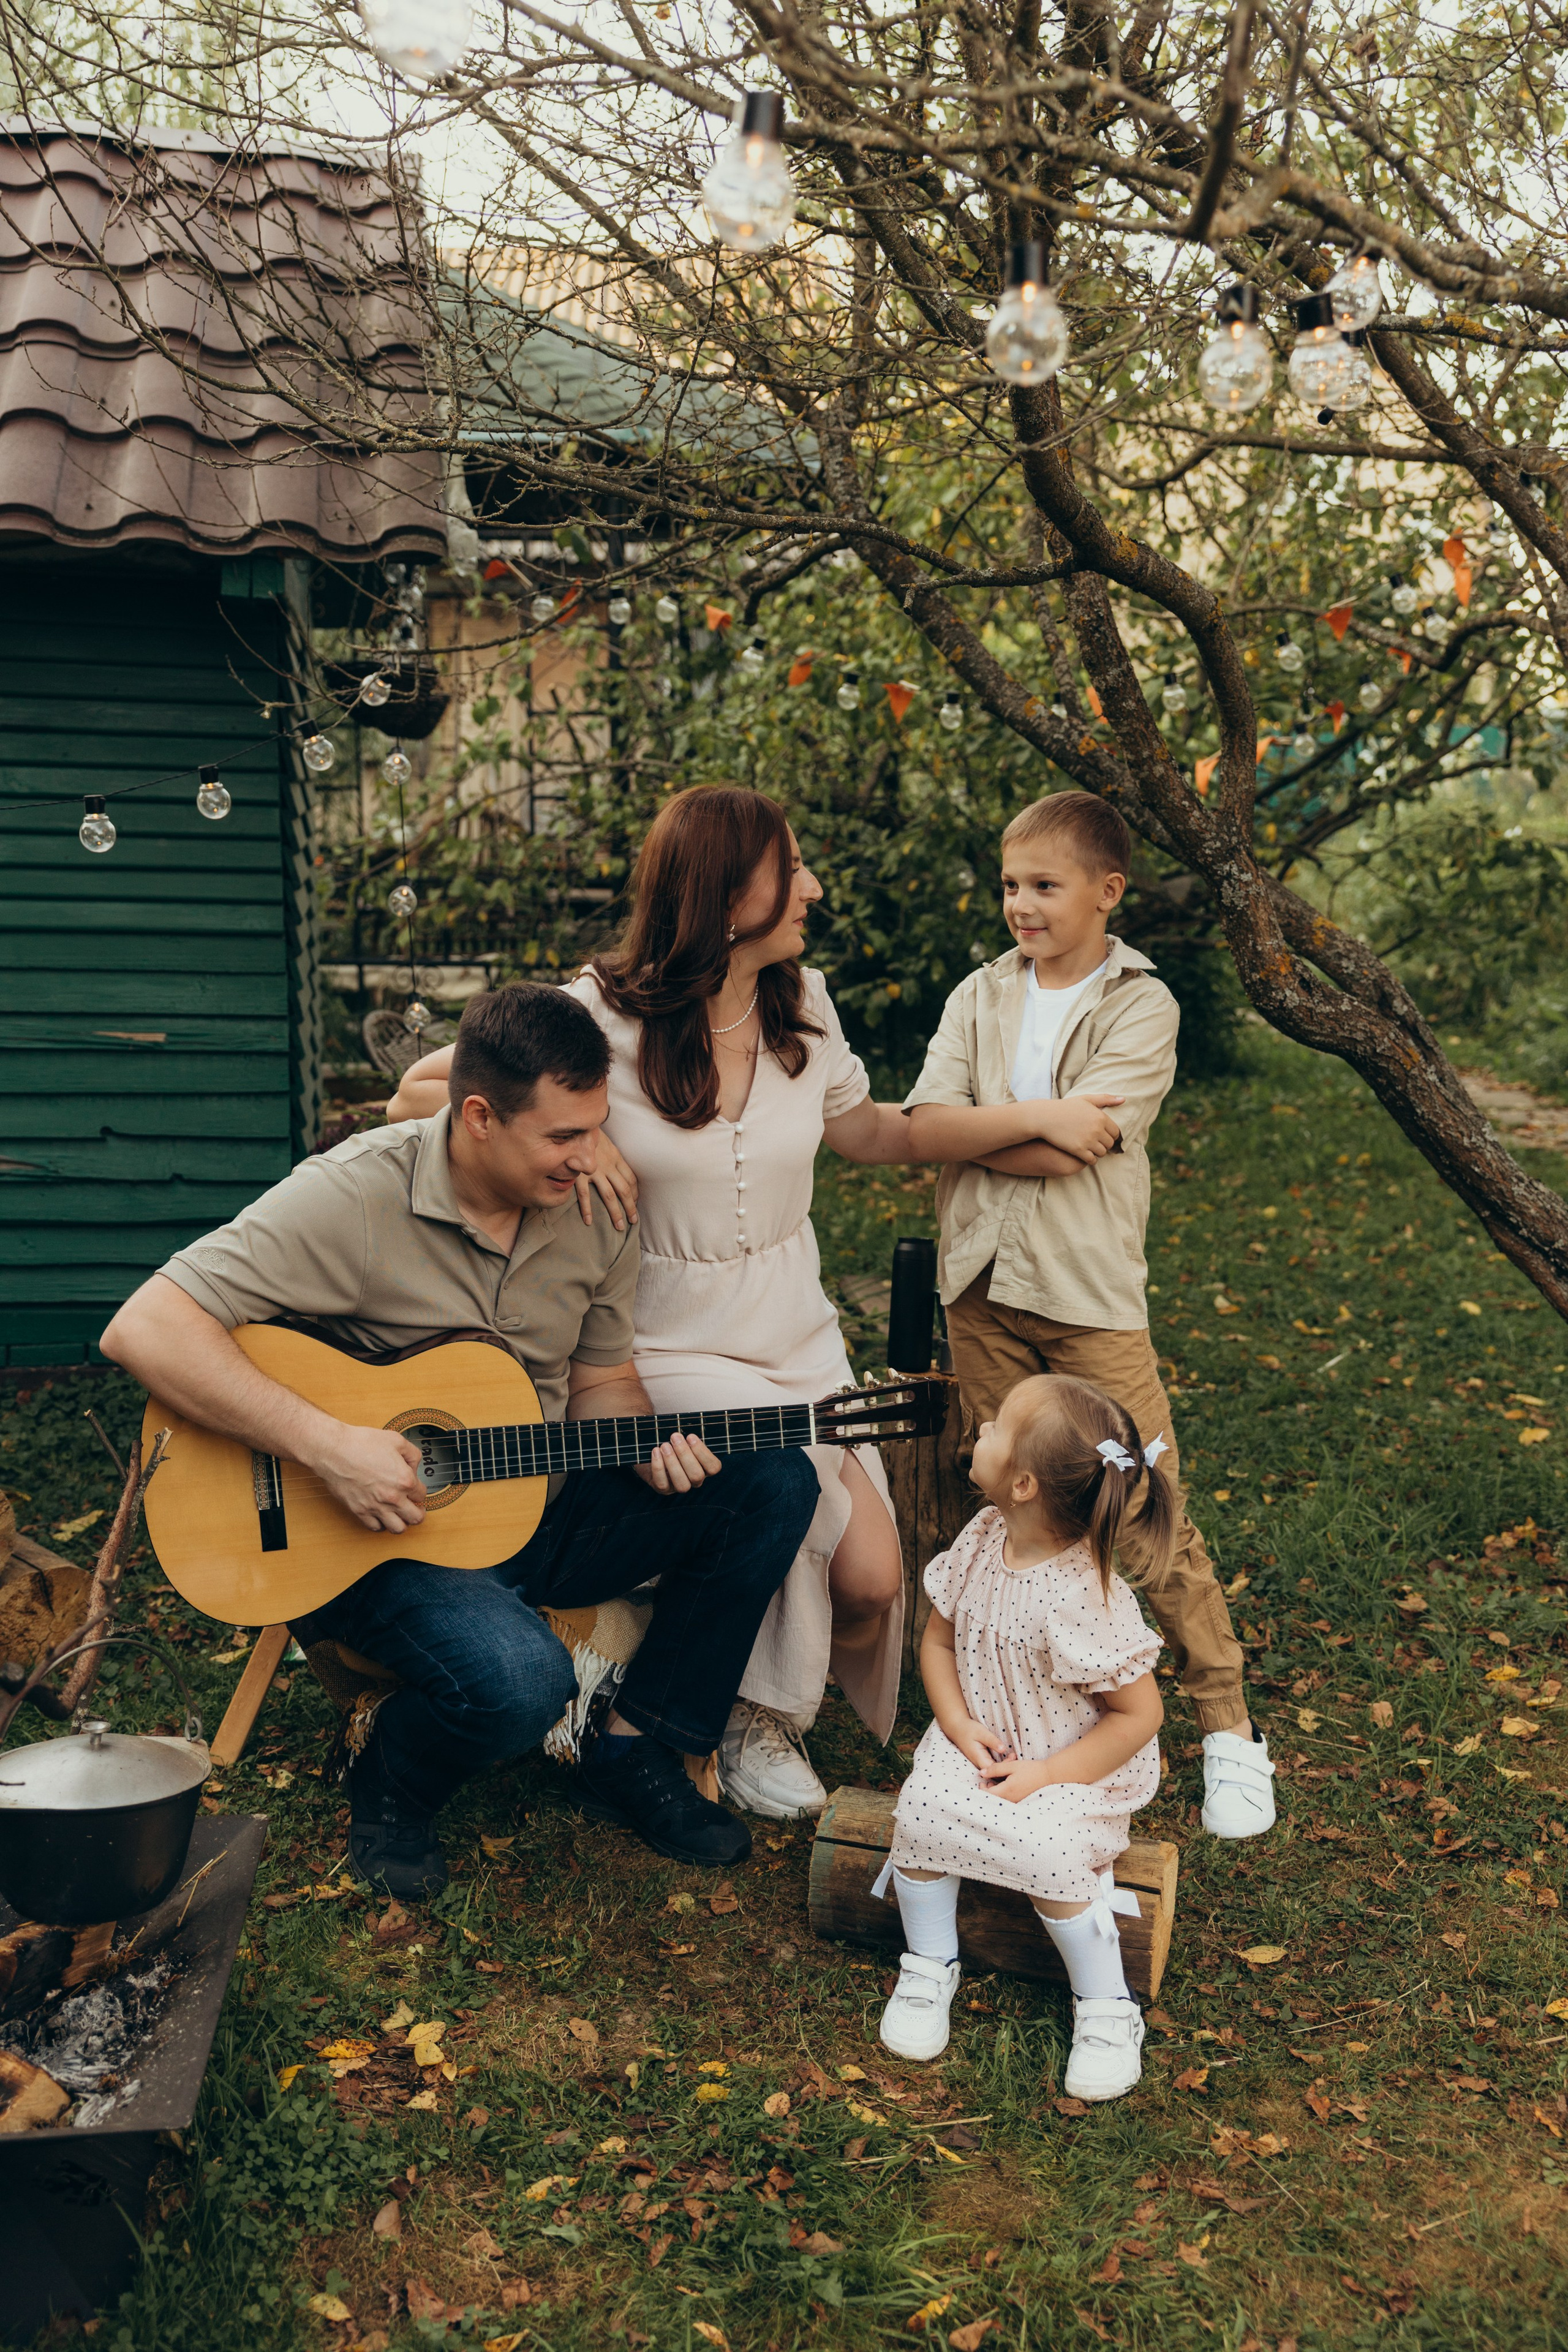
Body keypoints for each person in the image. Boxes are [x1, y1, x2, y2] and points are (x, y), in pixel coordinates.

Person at [99, 982, 820, 1898]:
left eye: (596, 1125)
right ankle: (391, 1779)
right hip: (368, 1541)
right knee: (524, 1683)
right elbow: (145, 1327)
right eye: (563, 1136)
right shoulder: (354, 1195)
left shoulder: (595, 1208)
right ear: (478, 1116)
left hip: (541, 1515)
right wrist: (329, 1446)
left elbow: (601, 1384)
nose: (590, 1155)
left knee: (775, 1482)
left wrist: (641, 1443)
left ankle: (636, 1746)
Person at [390, 786, 916, 1820]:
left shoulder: (802, 1002)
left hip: (791, 1320)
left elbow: (880, 1129)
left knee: (874, 1580)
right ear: (726, 898)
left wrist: (1033, 1125)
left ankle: (718, 1671)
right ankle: (747, 1715)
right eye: (791, 867)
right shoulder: (595, 1010)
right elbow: (422, 1094)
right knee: (788, 1484)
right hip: (661, 1330)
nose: (811, 885)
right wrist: (580, 1144)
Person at [903, 790, 1274, 1840]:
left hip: (1085, 1297)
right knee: (1013, 1501)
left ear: (1107, 892)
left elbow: (1085, 1142)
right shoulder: (981, 994)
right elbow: (927, 1126)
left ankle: (1228, 1726)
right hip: (978, 1285)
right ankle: (1011, 1696)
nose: (1021, 905)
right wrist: (1015, 1127)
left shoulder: (1142, 1005)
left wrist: (976, 1134)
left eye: (1045, 886)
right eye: (1011, 885)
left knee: (1143, 1505)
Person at [875, 1374, 1170, 2101]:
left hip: (1069, 1764)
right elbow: (937, 1644)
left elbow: (1139, 1716)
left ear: (1025, 1484)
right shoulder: (983, 1537)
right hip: (982, 1737)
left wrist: (1049, 1777)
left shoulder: (1082, 1598)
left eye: (996, 1427)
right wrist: (955, 1723)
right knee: (917, 1816)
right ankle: (929, 1963)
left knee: (1050, 1852)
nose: (980, 1431)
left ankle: (1106, 2006)